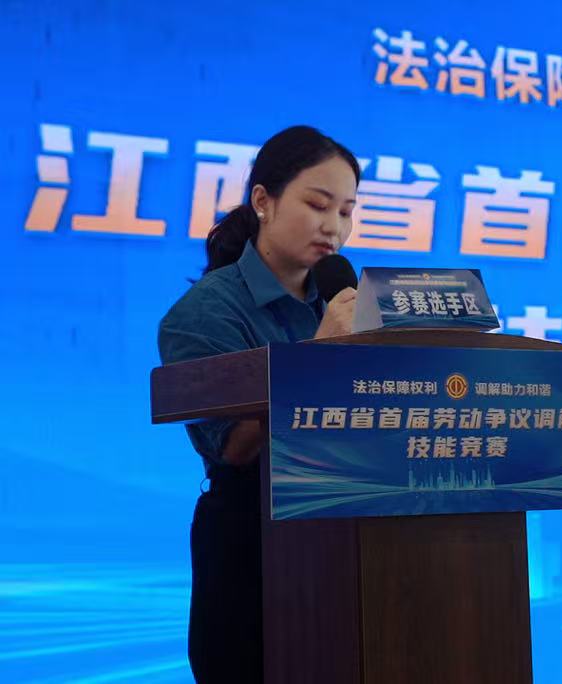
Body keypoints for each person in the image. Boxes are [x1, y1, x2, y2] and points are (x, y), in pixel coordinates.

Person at [158, 125, 360, 683]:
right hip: (253, 542)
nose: (333, 226)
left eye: (346, 211)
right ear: (264, 201)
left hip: (348, 535)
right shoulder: (204, 313)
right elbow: (236, 446)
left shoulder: (343, 306)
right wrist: (319, 355)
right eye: (318, 205)